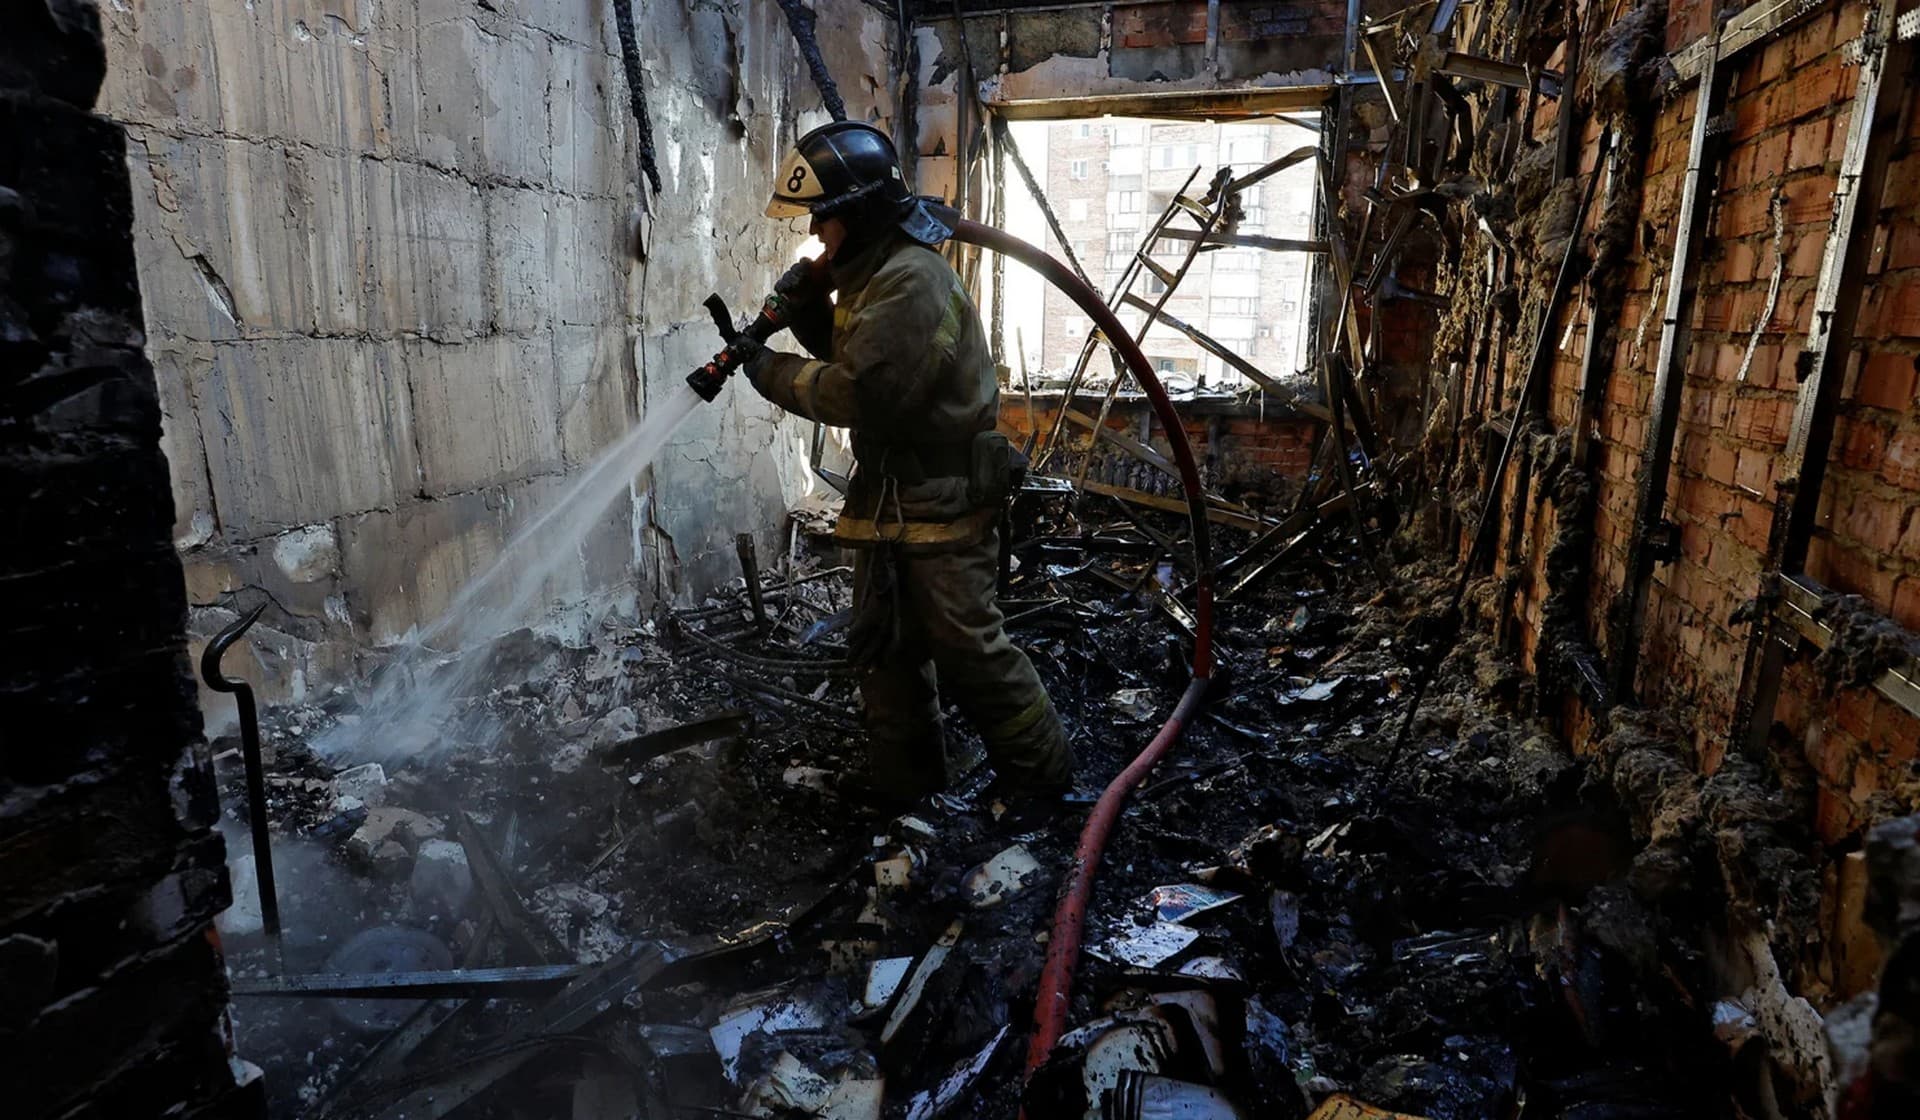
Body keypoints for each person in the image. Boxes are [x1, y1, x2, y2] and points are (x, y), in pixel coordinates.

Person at [735, 120, 1072, 808]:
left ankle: (1045, 786)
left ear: (856, 218)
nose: (817, 239)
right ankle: (908, 797)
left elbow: (863, 392)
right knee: (883, 652)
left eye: (823, 223)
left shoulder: (911, 280)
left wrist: (766, 367)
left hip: (941, 497)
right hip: (894, 500)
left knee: (970, 651)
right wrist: (805, 317)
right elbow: (866, 356)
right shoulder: (878, 278)